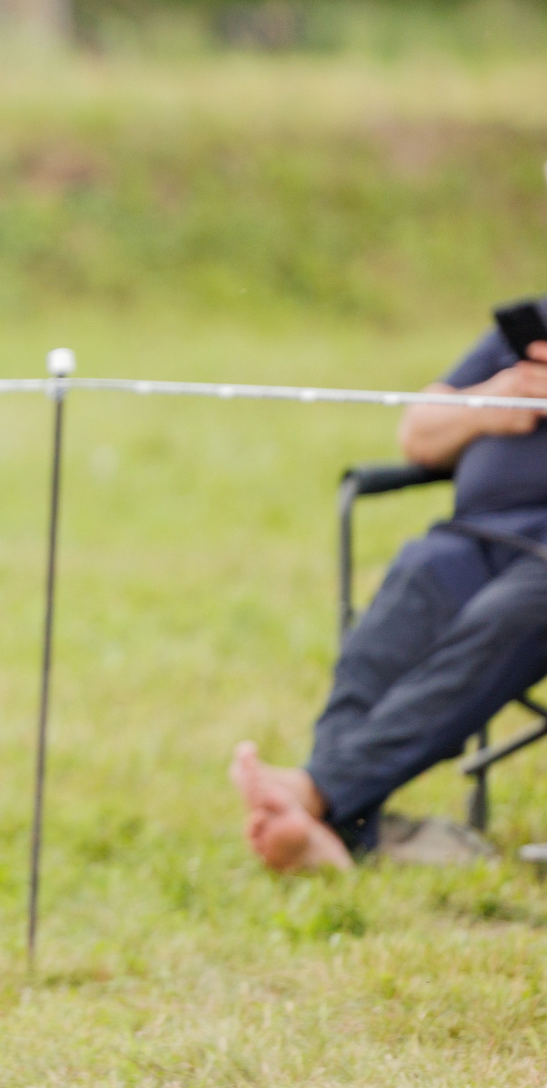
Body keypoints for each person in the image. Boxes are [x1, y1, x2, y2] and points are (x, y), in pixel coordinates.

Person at [233, 317, 547, 870]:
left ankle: (320, 796)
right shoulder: (527, 331)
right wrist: (492, 400)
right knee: (414, 580)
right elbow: (417, 434)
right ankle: (342, 826)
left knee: (505, 619)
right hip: (477, 537)